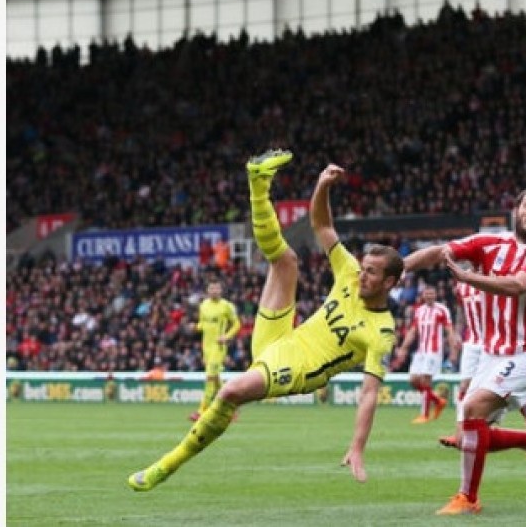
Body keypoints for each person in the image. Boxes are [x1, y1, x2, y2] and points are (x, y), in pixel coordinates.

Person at [127, 151, 404, 491]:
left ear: (389, 283)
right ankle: (258, 183)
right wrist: (322, 186)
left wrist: (358, 446)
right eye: (363, 268)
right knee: (285, 261)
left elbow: (369, 394)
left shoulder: (382, 333)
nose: (362, 275)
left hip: (298, 368)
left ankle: (165, 466)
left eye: (372, 273)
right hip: (280, 337)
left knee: (230, 391)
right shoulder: (349, 272)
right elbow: (322, 225)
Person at [404, 184, 526, 515]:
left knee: (473, 407)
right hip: (491, 355)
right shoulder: (490, 243)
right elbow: (439, 252)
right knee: (468, 438)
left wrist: (466, 276)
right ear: (516, 210)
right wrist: (398, 270)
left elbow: (517, 285)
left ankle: (468, 498)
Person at [439, 279, 526, 448]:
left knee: (503, 388)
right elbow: (461, 310)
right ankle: (459, 432)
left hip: (492, 341)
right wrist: (457, 331)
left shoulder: (490, 279)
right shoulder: (461, 285)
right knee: (464, 386)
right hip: (471, 341)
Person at [393, 285, 458, 424]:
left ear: (435, 295)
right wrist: (403, 348)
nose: (429, 296)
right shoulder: (419, 311)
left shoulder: (442, 310)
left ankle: (424, 415)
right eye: (427, 294)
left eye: (432, 294)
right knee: (413, 380)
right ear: (423, 295)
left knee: (425, 380)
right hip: (421, 351)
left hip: (434, 351)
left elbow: (449, 331)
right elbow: (413, 331)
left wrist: (453, 350)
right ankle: (438, 401)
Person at [187, 280, 240, 422]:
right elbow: (203, 324)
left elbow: (237, 324)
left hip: (219, 347)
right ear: (208, 290)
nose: (214, 291)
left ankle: (201, 411)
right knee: (216, 379)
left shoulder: (227, 306)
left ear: (221, 290)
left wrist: (226, 336)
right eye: (212, 288)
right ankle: (232, 407)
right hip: (207, 347)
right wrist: (195, 327)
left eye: (217, 288)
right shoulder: (203, 305)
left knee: (210, 377)